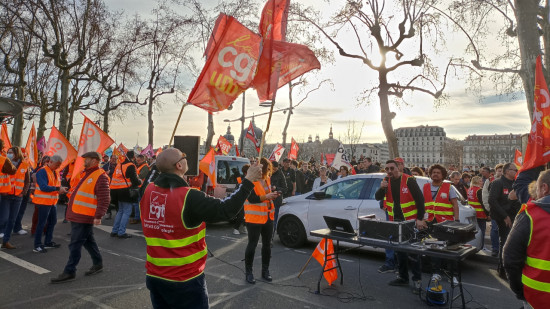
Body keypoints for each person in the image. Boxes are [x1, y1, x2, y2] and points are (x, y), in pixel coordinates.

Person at [140, 148, 262, 308]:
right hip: (185, 280)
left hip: (154, 276)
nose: (186, 157)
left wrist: (161, 163)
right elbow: (226, 210)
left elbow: (155, 175)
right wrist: (248, 181)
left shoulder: (147, 190)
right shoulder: (189, 196)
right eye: (183, 156)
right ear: (179, 166)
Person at [50, 152, 110, 283]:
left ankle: (70, 271)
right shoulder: (88, 173)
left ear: (94, 161)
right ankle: (98, 263)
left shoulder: (100, 176)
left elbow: (104, 198)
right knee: (88, 241)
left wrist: (98, 216)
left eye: (86, 159)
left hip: (84, 216)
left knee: (75, 244)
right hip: (80, 214)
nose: (84, 161)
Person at [375, 160, 427, 293]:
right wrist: (382, 188)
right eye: (387, 169)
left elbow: (420, 200)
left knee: (413, 254)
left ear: (398, 168)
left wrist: (420, 219)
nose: (389, 171)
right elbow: (377, 197)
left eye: (392, 168)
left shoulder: (409, 180)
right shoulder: (387, 181)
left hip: (410, 223)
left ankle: (417, 281)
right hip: (395, 222)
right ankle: (403, 278)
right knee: (399, 252)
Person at [503, 169, 550, 309]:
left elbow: (510, 259)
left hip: (537, 297)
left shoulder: (530, 215)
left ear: (544, 188)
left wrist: (520, 292)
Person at [245, 157, 279, 284]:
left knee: (267, 245)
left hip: (267, 217)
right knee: (252, 244)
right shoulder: (250, 180)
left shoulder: (267, 179)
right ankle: (249, 272)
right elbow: (252, 198)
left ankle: (265, 271)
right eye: (268, 168)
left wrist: (273, 195)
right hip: (254, 218)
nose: (269, 171)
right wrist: (267, 196)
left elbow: (266, 197)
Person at [423, 164, 459, 284]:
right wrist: (422, 219)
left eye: (438, 172)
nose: (435, 174)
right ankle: (436, 273)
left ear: (443, 175)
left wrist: (457, 221)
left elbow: (455, 205)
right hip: (431, 222)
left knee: (449, 249)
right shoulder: (426, 187)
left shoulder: (449, 187)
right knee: (435, 248)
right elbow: (423, 205)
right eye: (433, 172)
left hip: (446, 222)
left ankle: (452, 275)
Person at [489, 162, 520, 279]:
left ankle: (506, 269)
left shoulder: (515, 184)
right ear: (507, 171)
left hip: (514, 217)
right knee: (505, 242)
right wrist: (504, 216)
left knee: (510, 243)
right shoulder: (498, 183)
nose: (516, 172)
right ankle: (502, 270)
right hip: (503, 218)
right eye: (514, 170)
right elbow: (492, 200)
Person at [32, 155, 67, 253]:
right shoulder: (42, 171)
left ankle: (47, 242)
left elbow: (54, 186)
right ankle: (37, 245)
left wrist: (60, 189)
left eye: (59, 165)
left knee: (52, 222)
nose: (58, 167)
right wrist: (57, 189)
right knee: (42, 223)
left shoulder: (54, 171)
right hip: (43, 202)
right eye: (57, 165)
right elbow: (43, 187)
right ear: (50, 162)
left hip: (52, 202)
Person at [0, 146, 29, 248]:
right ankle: (2, 234)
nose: (9, 154)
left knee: (12, 220)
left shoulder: (25, 164)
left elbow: (27, 181)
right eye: (8, 152)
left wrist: (23, 192)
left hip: (18, 196)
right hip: (6, 195)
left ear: (17, 154)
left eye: (11, 152)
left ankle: (6, 241)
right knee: (3, 218)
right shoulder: (5, 162)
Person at [110, 150, 141, 238]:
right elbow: (134, 180)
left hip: (116, 190)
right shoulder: (130, 165)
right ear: (133, 157)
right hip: (125, 191)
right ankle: (121, 232)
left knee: (120, 211)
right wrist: (140, 181)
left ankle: (114, 231)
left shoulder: (119, 164)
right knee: (127, 211)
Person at [484, 164, 504, 257]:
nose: (500, 172)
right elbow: (485, 195)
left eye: (502, 170)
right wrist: (489, 208)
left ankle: (504, 249)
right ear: (495, 172)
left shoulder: (509, 181)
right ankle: (495, 249)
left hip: (505, 211)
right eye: (499, 170)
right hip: (494, 210)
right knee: (495, 229)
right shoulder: (489, 181)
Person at [467, 176, 489, 250]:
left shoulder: (470, 189)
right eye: (480, 181)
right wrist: (488, 214)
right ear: (476, 182)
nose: (482, 182)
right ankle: (482, 246)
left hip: (472, 213)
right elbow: (483, 203)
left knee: (474, 231)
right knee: (482, 231)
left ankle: (475, 246)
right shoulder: (479, 190)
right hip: (480, 214)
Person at [129, 154, 149, 224]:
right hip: (138, 187)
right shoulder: (140, 166)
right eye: (137, 160)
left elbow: (141, 176)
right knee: (137, 203)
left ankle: (137, 218)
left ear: (143, 160)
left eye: (139, 160)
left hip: (140, 187)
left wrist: (134, 177)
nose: (137, 162)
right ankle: (138, 217)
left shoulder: (145, 167)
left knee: (137, 203)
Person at [270, 161, 287, 234]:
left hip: (276, 201)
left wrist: (276, 188)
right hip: (268, 200)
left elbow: (285, 189)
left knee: (274, 220)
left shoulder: (280, 174)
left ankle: (271, 237)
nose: (274, 170)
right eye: (272, 169)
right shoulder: (268, 173)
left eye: (275, 169)